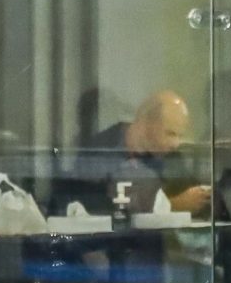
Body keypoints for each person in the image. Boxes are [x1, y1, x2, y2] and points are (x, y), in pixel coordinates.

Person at [76, 90, 212, 218]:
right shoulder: (100, 150)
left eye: (180, 136)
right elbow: (89, 209)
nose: (175, 144)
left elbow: (195, 197)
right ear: (145, 123)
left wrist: (205, 199)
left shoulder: (171, 157)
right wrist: (173, 206)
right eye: (170, 133)